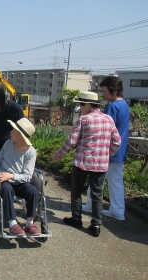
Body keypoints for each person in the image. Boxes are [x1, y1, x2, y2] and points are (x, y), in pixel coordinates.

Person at [53, 91, 121, 237]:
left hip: (82, 162)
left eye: (81, 104)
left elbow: (72, 141)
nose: (80, 107)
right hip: (100, 164)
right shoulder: (108, 119)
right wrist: (107, 154)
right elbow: (117, 141)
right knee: (97, 194)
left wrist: (59, 155)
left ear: (89, 105)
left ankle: (76, 218)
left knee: (77, 191)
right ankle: (96, 224)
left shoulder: (83, 120)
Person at [0, 118, 41, 236]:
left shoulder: (31, 152)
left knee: (32, 190)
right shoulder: (8, 144)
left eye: (13, 130)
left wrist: (11, 175)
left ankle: (29, 223)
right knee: (6, 189)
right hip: (4, 181)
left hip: (20, 181)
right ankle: (12, 223)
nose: (10, 131)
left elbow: (27, 176)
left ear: (21, 135)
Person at [82, 76, 129, 221]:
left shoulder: (112, 107)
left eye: (104, 91)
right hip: (120, 151)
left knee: (97, 181)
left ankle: (90, 204)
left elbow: (103, 128)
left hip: (106, 151)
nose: (103, 94)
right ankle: (118, 210)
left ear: (113, 91)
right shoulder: (125, 105)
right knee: (116, 182)